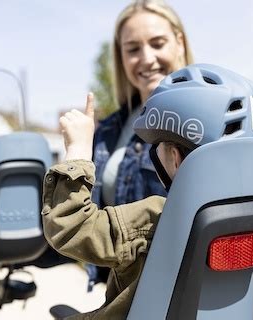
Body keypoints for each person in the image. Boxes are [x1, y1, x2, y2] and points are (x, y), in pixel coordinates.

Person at [42, 64, 253, 319]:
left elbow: (69, 228)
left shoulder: (158, 219)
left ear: (174, 158)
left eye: (158, 146)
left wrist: (78, 149)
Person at [90, 0, 194, 288]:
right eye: (133, 49)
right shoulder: (110, 128)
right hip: (119, 295)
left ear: (179, 42)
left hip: (178, 292)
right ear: (121, 57)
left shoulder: (206, 118)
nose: (147, 59)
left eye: (157, 43)